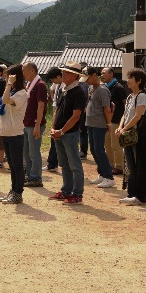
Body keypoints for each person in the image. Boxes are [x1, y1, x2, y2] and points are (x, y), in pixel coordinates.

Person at [47, 61, 86, 205]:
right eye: (63, 72)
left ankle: (77, 194)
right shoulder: (65, 89)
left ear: (75, 75)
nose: (63, 74)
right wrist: (53, 127)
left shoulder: (79, 92)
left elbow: (76, 116)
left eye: (67, 72)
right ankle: (66, 191)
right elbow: (57, 110)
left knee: (75, 164)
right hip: (60, 132)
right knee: (64, 164)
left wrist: (61, 131)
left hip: (69, 133)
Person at [116, 68, 146, 205]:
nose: (128, 80)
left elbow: (137, 116)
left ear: (139, 81)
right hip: (128, 134)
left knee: (139, 164)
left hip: (138, 135)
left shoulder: (142, 96)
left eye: (131, 78)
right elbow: (125, 115)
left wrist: (123, 129)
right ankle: (132, 193)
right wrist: (119, 127)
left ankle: (140, 196)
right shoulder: (130, 97)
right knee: (130, 165)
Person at [0, 64, 29, 204]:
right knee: (11, 165)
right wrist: (9, 86)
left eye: (8, 77)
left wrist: (9, 84)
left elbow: (5, 101)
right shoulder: (12, 91)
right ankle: (13, 190)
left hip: (15, 133)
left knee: (17, 166)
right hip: (6, 132)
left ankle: (18, 193)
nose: (6, 80)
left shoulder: (21, 94)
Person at [84, 66, 115, 189]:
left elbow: (107, 108)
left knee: (99, 150)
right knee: (93, 150)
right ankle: (102, 174)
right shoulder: (91, 87)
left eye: (87, 78)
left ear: (94, 75)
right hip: (90, 123)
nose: (86, 81)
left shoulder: (102, 90)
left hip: (99, 124)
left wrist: (108, 124)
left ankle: (109, 177)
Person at [22, 61, 47, 187]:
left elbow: (41, 105)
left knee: (34, 152)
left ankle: (36, 177)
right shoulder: (30, 84)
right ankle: (29, 175)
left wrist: (37, 125)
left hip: (34, 124)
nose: (23, 73)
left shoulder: (40, 85)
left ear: (32, 70)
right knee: (26, 152)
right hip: (26, 123)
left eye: (24, 70)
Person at [101, 67, 126, 176]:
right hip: (107, 121)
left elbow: (125, 104)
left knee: (116, 145)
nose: (102, 75)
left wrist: (123, 120)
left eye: (104, 73)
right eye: (101, 73)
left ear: (111, 74)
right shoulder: (105, 87)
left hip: (116, 120)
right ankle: (110, 165)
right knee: (107, 144)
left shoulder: (118, 87)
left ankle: (119, 166)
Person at [43, 66, 63, 173]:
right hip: (56, 114)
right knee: (53, 140)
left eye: (53, 79)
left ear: (59, 76)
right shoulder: (58, 85)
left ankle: (56, 163)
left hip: (62, 117)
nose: (53, 82)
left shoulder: (65, 86)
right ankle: (52, 163)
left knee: (61, 143)